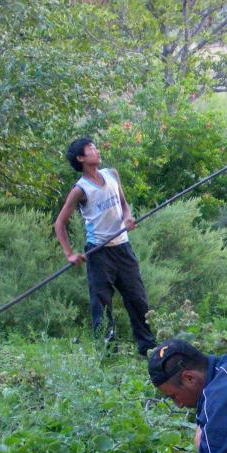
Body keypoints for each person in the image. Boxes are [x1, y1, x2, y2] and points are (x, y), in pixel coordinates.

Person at [55, 137, 156, 356]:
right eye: (90, 149)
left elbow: (123, 203)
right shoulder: (80, 189)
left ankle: (148, 350)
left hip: (123, 248)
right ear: (80, 158)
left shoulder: (112, 175)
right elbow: (59, 224)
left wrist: (129, 218)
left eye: (95, 147)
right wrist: (69, 253)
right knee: (102, 306)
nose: (96, 151)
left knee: (138, 300)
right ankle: (107, 354)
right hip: (99, 253)